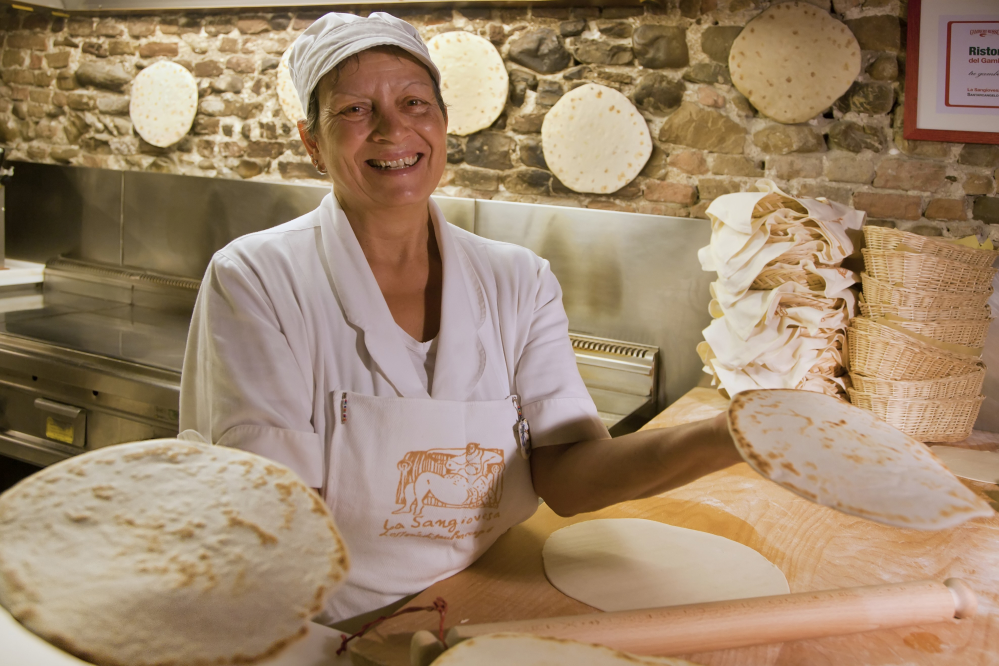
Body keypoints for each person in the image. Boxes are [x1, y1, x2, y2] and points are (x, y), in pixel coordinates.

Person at [179, 11, 742, 627]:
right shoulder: (257, 279)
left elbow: (571, 474)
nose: (393, 129)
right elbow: (279, 520)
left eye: (415, 103)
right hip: (333, 625)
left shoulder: (519, 280)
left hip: (492, 594)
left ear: (443, 124)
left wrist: (727, 436)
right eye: (354, 110)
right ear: (312, 141)